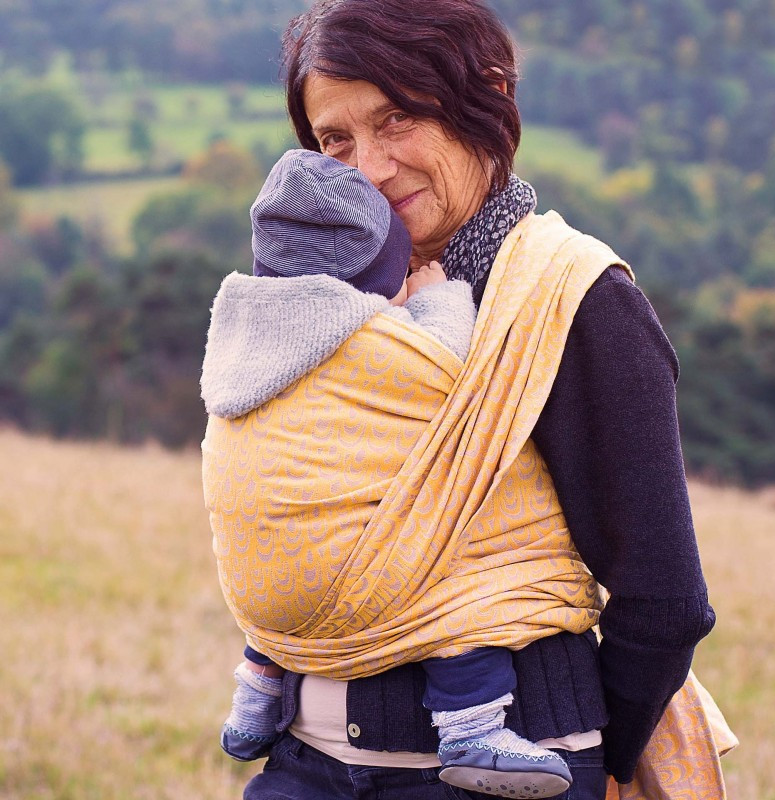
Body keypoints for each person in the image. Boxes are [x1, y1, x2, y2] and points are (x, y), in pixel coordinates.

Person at [219, 2, 717, 799]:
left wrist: (596, 759)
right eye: (335, 140)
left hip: (501, 773)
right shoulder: (323, 312)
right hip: (304, 763)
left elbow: (664, 602)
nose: (370, 169)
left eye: (399, 118)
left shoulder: (572, 301)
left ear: (484, 100)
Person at [204, 147, 574, 797]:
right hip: (356, 577)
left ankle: (257, 699)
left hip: (257, 583)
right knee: (453, 584)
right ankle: (472, 729)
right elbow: (447, 373)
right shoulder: (374, 342)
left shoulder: (242, 334)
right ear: (375, 280)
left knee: (287, 556)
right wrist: (437, 298)